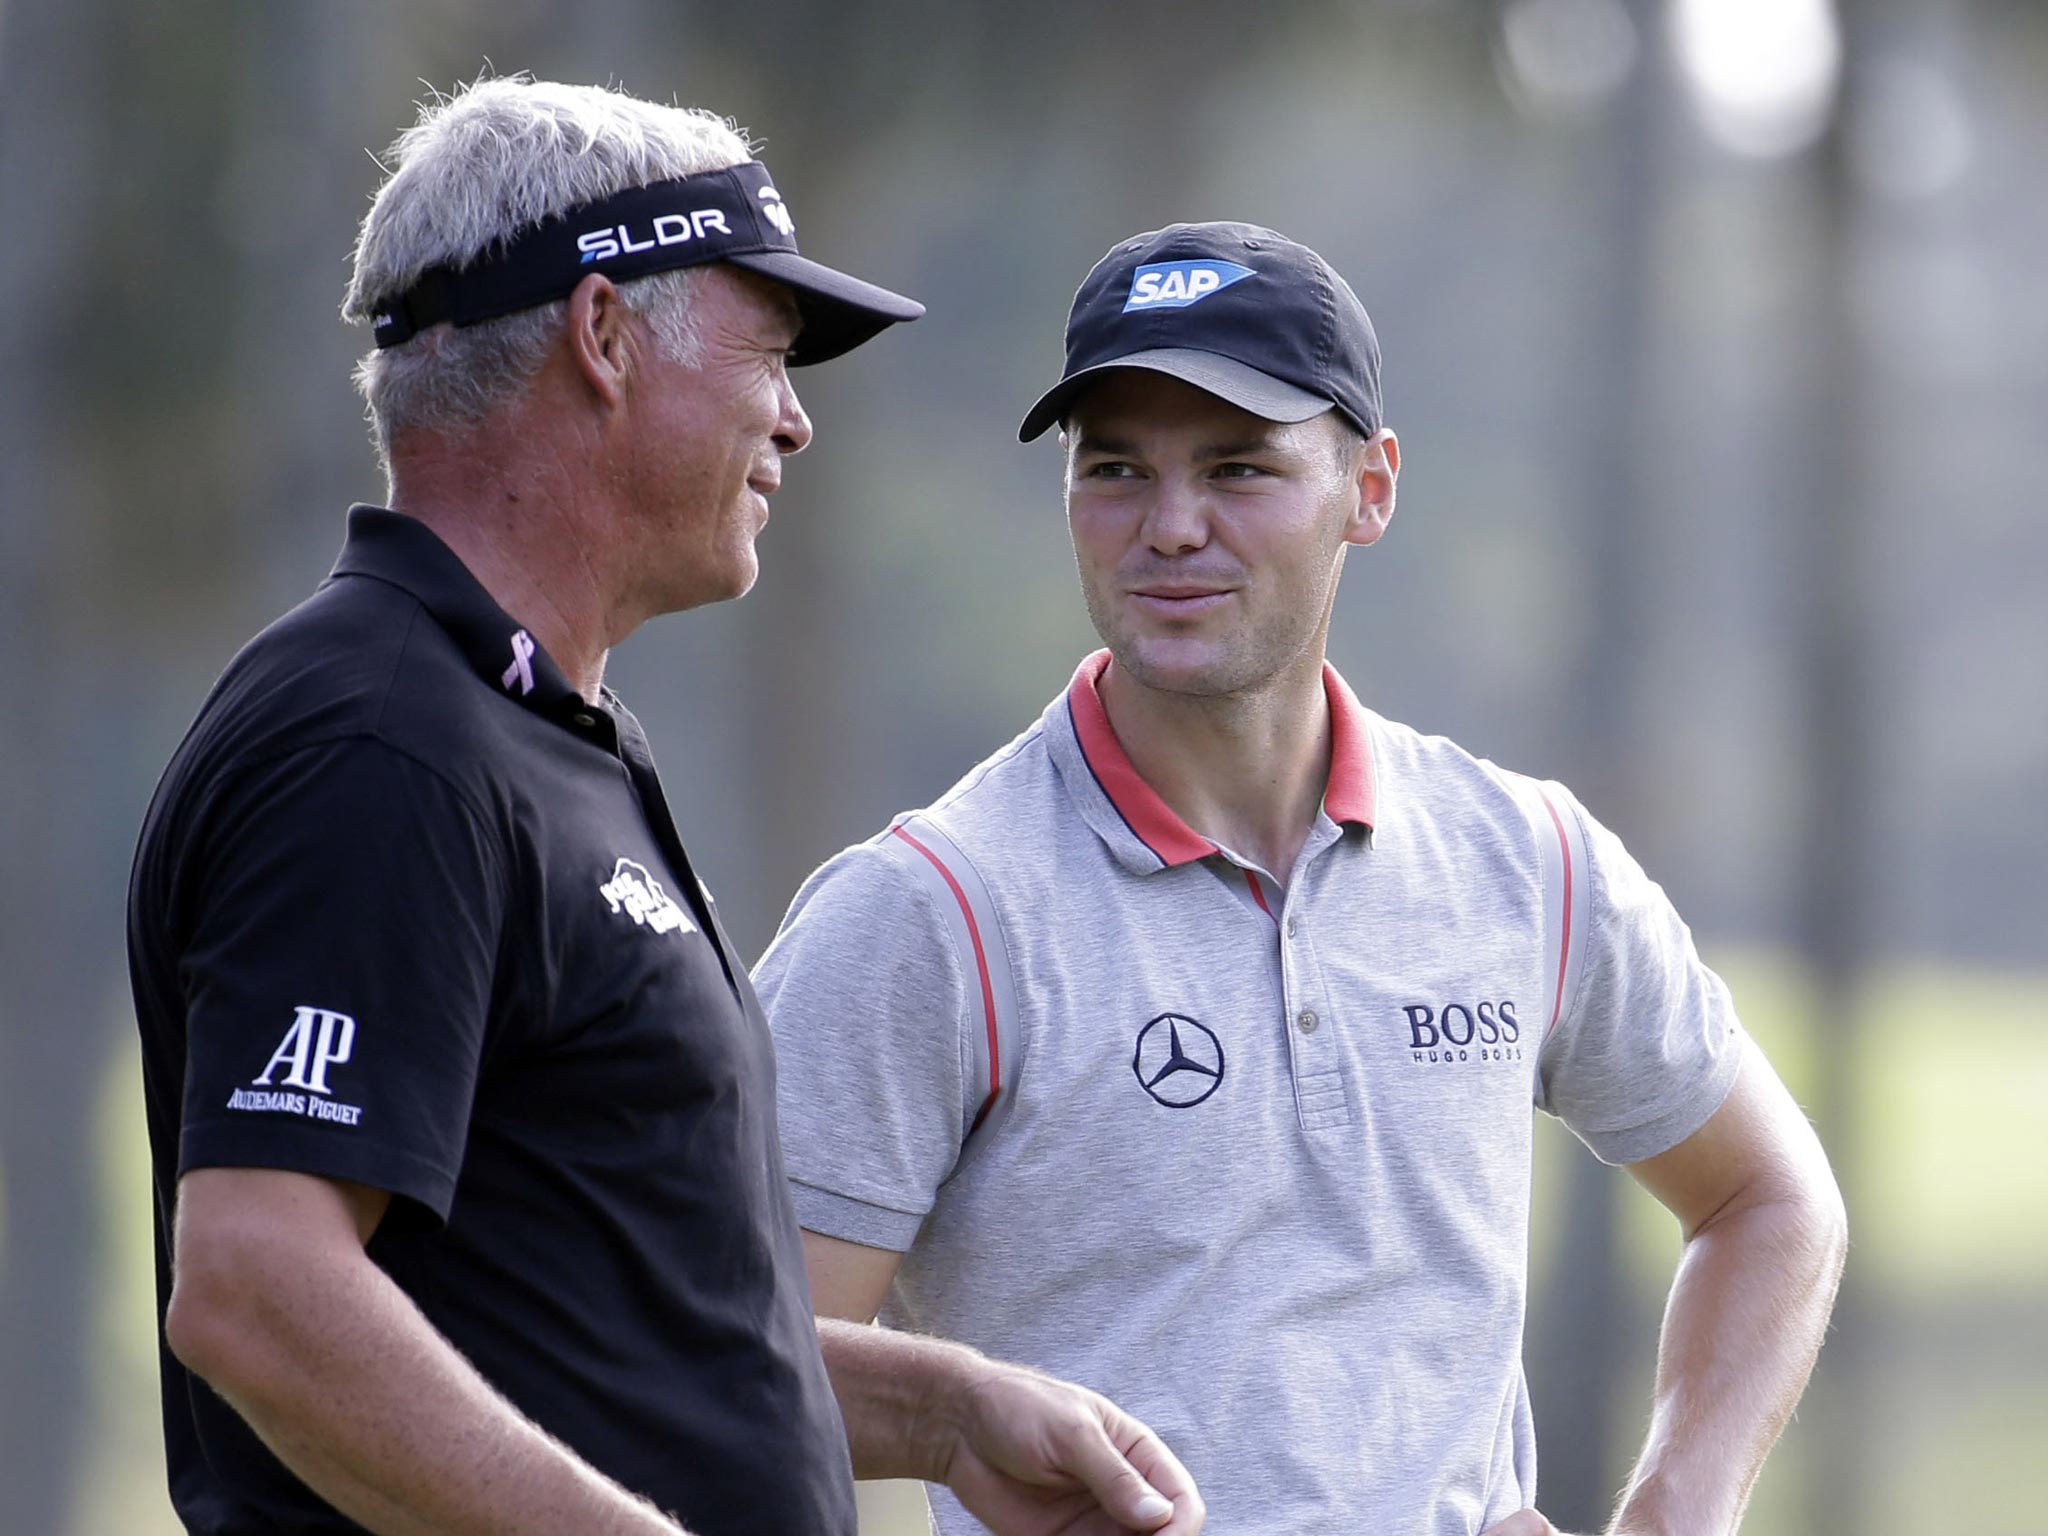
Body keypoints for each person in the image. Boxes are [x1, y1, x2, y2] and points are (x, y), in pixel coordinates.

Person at [127, 78, 1198, 1536]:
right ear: (605, 337)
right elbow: (257, 1286)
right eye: (771, 351)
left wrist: (938, 1415)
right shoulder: (383, 742)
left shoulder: (530, 733)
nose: (797, 421)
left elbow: (611, 1338)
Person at [755, 221, 1850, 1535]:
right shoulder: (929, 915)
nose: (1170, 528)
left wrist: (1678, 1506)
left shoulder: (1528, 862)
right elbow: (726, 1370)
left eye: (1238, 469)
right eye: (1116, 470)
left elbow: (1770, 1199)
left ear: (1371, 487)